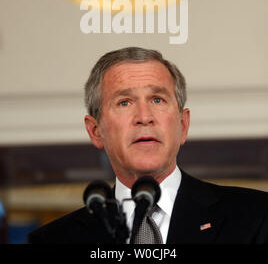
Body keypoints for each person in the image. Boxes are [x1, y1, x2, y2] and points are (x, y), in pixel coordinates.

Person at [27, 47, 268, 244]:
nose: (144, 116)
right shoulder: (53, 241)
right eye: (124, 102)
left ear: (183, 125)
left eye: (157, 99)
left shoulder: (256, 217)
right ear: (95, 131)